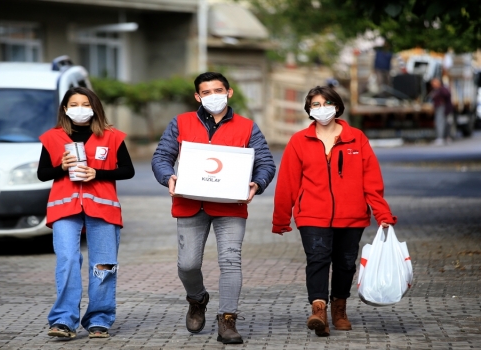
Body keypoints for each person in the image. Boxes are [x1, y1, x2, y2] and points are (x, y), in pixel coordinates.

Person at [151, 72, 276, 344]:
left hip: (230, 205)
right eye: (206, 92)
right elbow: (162, 156)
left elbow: (265, 162)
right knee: (188, 264)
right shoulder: (181, 122)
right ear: (198, 96)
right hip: (189, 202)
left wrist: (257, 183)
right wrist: (167, 176)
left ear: (229, 92)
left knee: (231, 261)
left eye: (218, 90)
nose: (213, 96)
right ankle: (197, 299)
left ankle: (227, 320)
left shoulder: (247, 127)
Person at [272, 86, 397, 337]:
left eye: (326, 103)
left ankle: (339, 309)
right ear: (309, 109)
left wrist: (383, 214)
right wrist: (281, 219)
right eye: (315, 105)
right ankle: (319, 310)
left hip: (352, 215)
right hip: (312, 214)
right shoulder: (299, 141)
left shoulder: (356, 138)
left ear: (337, 106)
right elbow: (288, 182)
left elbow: (371, 180)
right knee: (317, 260)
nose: (321, 109)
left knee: (345, 264)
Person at [37, 86, 135, 339]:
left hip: (103, 207)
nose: (80, 109)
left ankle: (99, 320)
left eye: (85, 104)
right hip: (64, 208)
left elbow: (128, 171)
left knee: (103, 266)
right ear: (65, 109)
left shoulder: (112, 136)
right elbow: (42, 174)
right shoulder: (52, 137)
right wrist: (61, 166)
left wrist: (97, 173)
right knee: (67, 260)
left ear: (94, 108)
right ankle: (63, 321)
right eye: (74, 104)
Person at [429, 78, 453, 145]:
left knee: (441, 123)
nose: (433, 85)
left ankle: (441, 138)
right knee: (444, 123)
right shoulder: (436, 90)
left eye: (434, 83)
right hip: (441, 108)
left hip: (442, 108)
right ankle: (445, 137)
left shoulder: (442, 89)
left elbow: (447, 95)